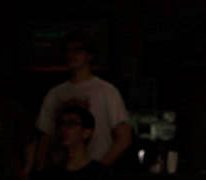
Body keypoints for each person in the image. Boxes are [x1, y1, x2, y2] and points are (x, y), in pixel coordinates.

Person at [33, 33, 132, 169]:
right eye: (68, 50)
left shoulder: (107, 91)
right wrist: (41, 172)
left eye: (78, 50)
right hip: (61, 173)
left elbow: (124, 137)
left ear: (89, 55)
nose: (71, 54)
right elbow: (45, 139)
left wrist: (99, 169)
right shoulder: (55, 94)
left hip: (94, 170)